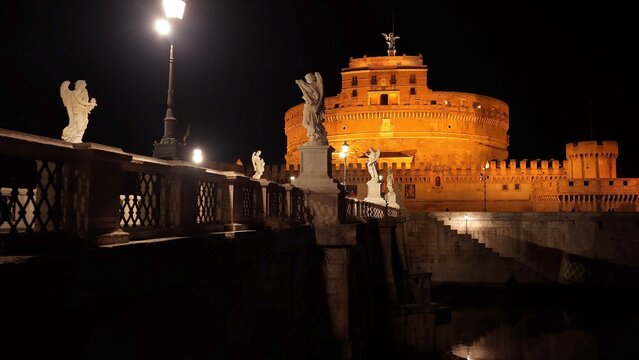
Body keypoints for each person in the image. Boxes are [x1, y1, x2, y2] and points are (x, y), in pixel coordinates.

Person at [295, 72, 327, 145]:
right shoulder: (311, 85)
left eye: (308, 78)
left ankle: (316, 134)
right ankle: (314, 135)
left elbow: (309, 89)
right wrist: (302, 84)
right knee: (308, 123)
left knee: (306, 123)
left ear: (312, 77)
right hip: (309, 106)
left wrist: (302, 83)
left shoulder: (314, 85)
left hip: (312, 107)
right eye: (306, 79)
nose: (307, 80)